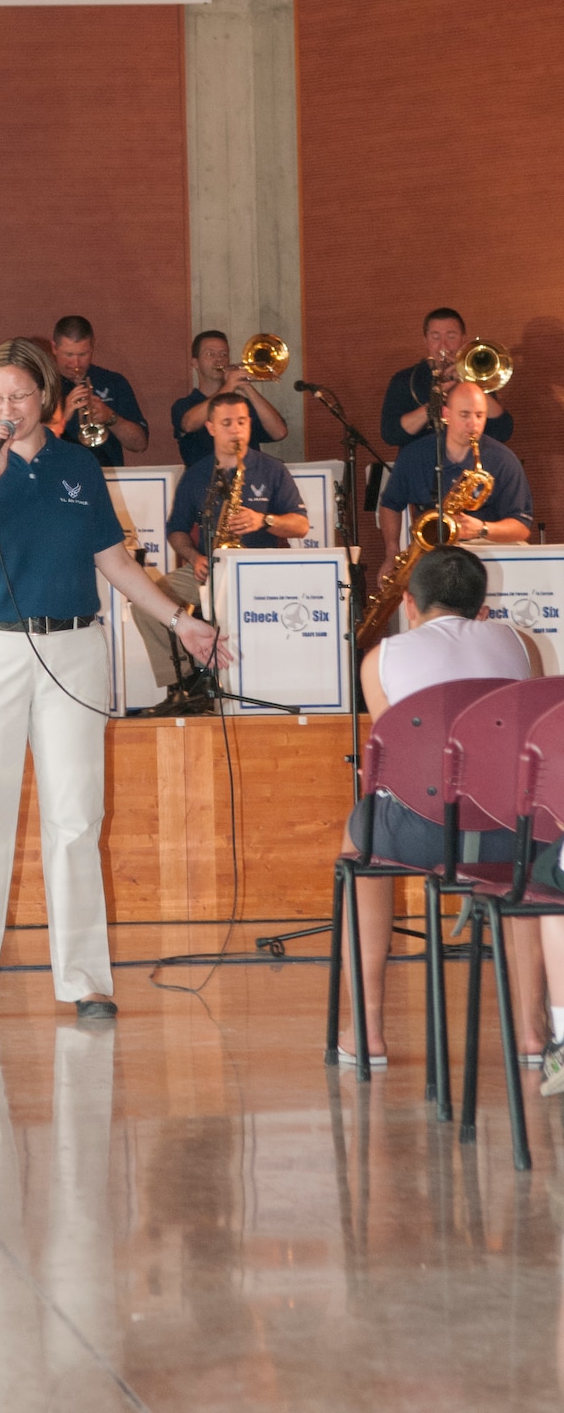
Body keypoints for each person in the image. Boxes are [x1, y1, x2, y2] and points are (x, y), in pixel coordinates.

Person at [0, 338, 226, 1025]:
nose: (5, 410)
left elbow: (113, 563)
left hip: (73, 649)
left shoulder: (78, 465)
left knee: (75, 816)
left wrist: (181, 622)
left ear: (44, 399)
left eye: (18, 398)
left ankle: (85, 980)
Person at [337, 544, 544, 1066]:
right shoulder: (521, 647)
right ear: (482, 608)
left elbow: (395, 760)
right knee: (526, 871)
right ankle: (532, 1034)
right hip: (505, 831)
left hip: (418, 831)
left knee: (356, 852)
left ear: (409, 604)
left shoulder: (380, 658)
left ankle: (366, 1030)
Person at [130, 390, 308, 714]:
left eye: (242, 422)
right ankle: (183, 685)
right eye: (227, 423)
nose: (236, 430)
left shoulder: (271, 469)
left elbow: (300, 526)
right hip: (207, 568)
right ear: (210, 427)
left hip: (260, 571)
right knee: (146, 606)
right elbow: (176, 530)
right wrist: (194, 556)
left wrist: (264, 520)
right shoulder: (197, 473)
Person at [376, 380, 532, 586]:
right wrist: (392, 553)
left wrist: (482, 529)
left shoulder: (503, 460)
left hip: (488, 564)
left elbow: (522, 526)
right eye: (465, 415)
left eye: (479, 415)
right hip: (430, 562)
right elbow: (390, 505)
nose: (473, 424)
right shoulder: (414, 455)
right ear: (446, 415)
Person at [380, 306, 512, 452]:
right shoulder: (405, 380)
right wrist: (433, 406)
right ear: (426, 341)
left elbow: (502, 430)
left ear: (463, 339)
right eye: (436, 337)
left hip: (470, 464)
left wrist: (468, 382)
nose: (443, 346)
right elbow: (391, 434)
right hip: (421, 466)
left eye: (451, 336)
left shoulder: (476, 377)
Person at [171, 330, 288, 468]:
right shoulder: (184, 405)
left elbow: (279, 432)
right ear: (195, 363)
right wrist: (229, 385)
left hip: (248, 481)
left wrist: (247, 388)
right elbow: (189, 424)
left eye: (224, 354)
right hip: (205, 483)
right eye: (210, 354)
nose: (219, 359)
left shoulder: (242, 405)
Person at [49, 316, 147, 467]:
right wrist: (64, 416)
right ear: (54, 348)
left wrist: (111, 418)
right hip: (58, 475)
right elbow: (32, 447)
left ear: (93, 346)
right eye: (68, 355)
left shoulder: (113, 382)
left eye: (82, 354)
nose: (76, 363)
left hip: (106, 475)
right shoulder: (43, 384)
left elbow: (140, 444)